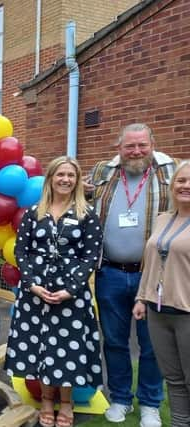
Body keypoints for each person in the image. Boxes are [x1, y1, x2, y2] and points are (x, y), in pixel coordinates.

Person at [86, 123, 177, 426]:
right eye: (129, 146)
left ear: (153, 144)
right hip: (110, 273)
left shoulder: (171, 171)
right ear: (119, 148)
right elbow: (81, 197)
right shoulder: (103, 172)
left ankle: (151, 403)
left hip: (153, 274)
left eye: (142, 145)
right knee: (113, 341)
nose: (136, 151)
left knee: (152, 342)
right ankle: (121, 398)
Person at [6, 156, 103, 427]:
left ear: (77, 180)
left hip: (70, 295)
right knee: (39, 347)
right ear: (50, 178)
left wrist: (70, 290)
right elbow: (21, 252)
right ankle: (47, 400)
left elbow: (91, 256)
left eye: (71, 175)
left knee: (68, 349)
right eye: (60, 174)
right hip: (34, 293)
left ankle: (67, 403)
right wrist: (33, 284)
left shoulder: (87, 214)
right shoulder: (34, 211)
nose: (65, 180)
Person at [133, 161, 190, 426]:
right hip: (158, 311)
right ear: (172, 185)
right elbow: (152, 262)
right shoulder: (163, 218)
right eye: (181, 181)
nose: (185, 186)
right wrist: (141, 298)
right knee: (174, 380)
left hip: (186, 312)